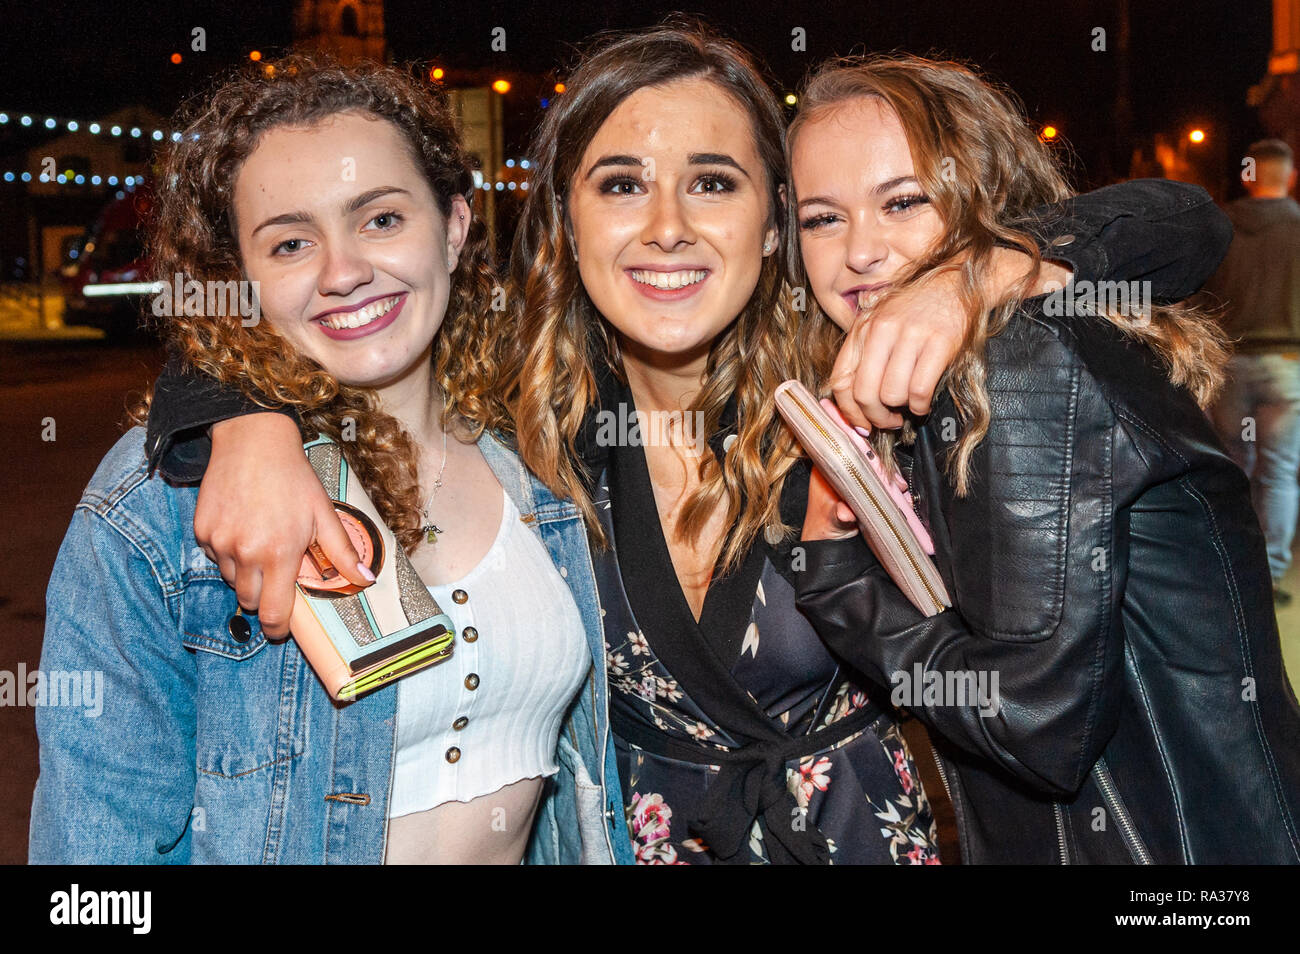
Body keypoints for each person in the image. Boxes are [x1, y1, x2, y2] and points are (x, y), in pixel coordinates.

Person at [144, 25, 1235, 864]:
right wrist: (242, 420)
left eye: (713, 181)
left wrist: (975, 271)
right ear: (565, 221)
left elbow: (1184, 224)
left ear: (772, 222)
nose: (667, 224)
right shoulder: (508, 411)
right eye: (620, 184)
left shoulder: (870, 378)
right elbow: (318, 309)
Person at [29, 55, 635, 865]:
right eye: (289, 244)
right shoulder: (160, 511)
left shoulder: (540, 450)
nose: (343, 272)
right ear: (239, 278)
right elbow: (93, 868)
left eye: (381, 219)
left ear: (454, 228)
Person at [790, 55, 1300, 863]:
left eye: (903, 201)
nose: (860, 251)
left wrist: (834, 573)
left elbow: (1034, 724)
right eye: (823, 218)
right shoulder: (942, 379)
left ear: (985, 202)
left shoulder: (1020, 361)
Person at [1204, 139, 1300, 604]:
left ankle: (1230, 567)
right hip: (1287, 364)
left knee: (1232, 465)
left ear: (1248, 175)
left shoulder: (1224, 228)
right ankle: (1272, 574)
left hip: (1231, 362)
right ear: (1290, 177)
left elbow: (1202, 297)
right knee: (1279, 471)